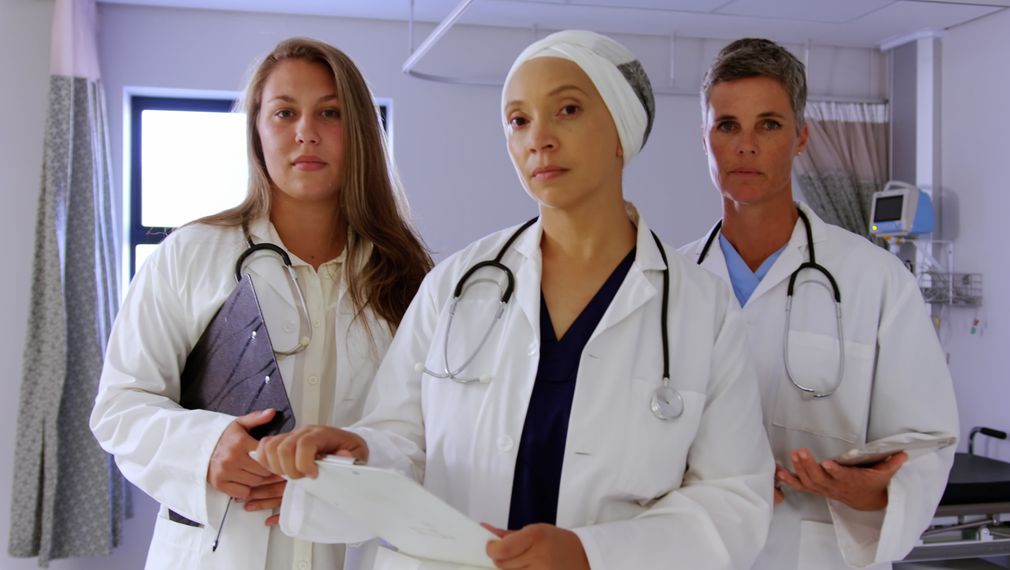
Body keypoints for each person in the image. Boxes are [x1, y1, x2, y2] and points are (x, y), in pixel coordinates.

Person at [255, 30, 774, 570]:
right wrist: (360, 451)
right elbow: (402, 438)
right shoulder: (457, 285)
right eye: (518, 120)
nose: (539, 139)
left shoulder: (700, 309)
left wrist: (590, 553)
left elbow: (733, 497)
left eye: (567, 109)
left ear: (622, 130)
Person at [90, 37, 432, 570]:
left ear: (361, 131)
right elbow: (121, 406)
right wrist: (204, 448)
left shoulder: (411, 282)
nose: (306, 132)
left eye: (330, 112)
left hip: (350, 553)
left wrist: (355, 466)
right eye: (284, 113)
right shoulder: (191, 255)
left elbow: (425, 439)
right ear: (256, 131)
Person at [682, 38, 959, 569]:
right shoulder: (668, 282)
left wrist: (871, 494)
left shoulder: (876, 280)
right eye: (727, 126)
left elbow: (926, 441)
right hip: (698, 550)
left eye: (769, 124)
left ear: (801, 136)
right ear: (705, 139)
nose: (746, 146)